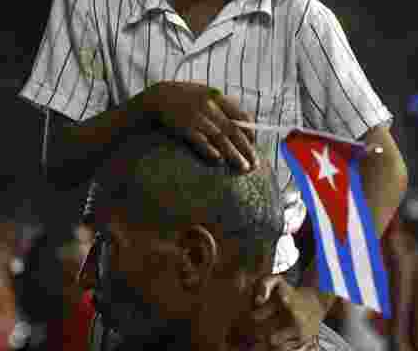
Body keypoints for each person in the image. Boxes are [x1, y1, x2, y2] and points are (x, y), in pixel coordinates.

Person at [20, 0, 408, 349]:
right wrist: (150, 106)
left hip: (252, 318)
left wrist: (311, 299)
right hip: (138, 315)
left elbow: (384, 167)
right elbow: (60, 162)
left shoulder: (299, 19)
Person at [85, 127, 352, 350]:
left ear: (195, 257)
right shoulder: (116, 336)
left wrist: (315, 300)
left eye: (108, 243)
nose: (85, 275)